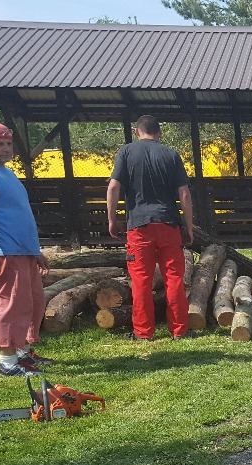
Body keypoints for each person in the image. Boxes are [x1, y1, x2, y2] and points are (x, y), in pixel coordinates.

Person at [0, 122, 54, 377]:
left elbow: (19, 215)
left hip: (23, 251)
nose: (5, 149)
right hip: (4, 252)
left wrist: (34, 250)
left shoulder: (5, 171)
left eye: (8, 143)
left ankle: (22, 352)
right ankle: (7, 361)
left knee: (32, 303)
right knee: (11, 305)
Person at [106, 115, 195, 341]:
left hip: (139, 226)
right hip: (168, 224)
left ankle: (143, 332)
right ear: (159, 133)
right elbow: (184, 193)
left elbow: (114, 187)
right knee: (174, 278)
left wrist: (112, 219)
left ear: (137, 131)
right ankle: (179, 330)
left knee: (141, 281)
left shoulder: (126, 152)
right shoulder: (171, 155)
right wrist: (189, 225)